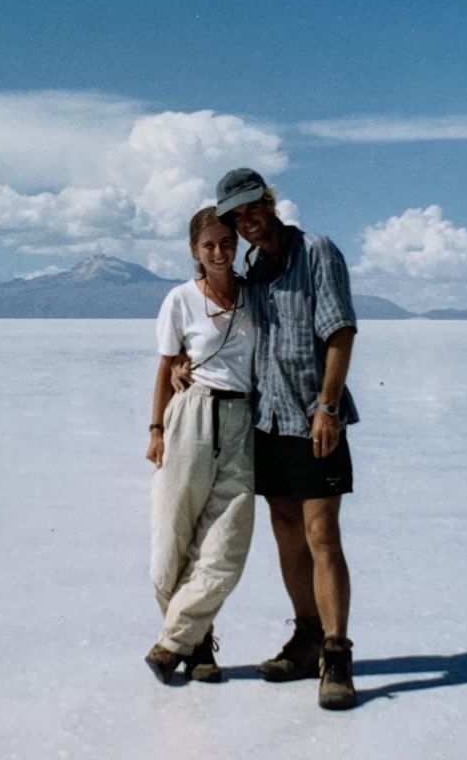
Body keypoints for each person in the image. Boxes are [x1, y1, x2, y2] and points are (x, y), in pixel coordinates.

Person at [214, 167, 360, 710]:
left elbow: (340, 330)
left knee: (322, 534)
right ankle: (305, 640)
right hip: (268, 419)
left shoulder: (316, 251)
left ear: (269, 203)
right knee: (285, 529)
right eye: (236, 215)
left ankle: (336, 655)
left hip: (313, 416)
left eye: (253, 208)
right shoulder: (254, 268)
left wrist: (327, 404)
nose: (247, 221)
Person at [144, 206, 257, 684]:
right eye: (208, 244)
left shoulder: (257, 296)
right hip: (190, 416)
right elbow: (166, 364)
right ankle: (198, 645)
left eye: (226, 243)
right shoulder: (180, 299)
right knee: (172, 540)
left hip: (242, 422)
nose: (218, 252)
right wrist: (155, 430)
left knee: (226, 546)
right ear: (194, 249)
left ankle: (172, 642)